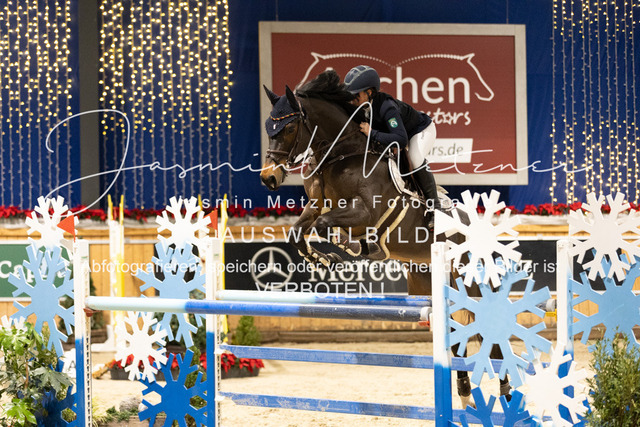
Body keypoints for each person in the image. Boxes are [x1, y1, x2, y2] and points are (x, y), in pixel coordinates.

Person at [344, 65, 441, 227]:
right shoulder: (362, 106)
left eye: (356, 95)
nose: (352, 100)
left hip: (419, 130)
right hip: (396, 134)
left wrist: (372, 133)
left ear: (369, 92)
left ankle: (435, 208)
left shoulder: (386, 107)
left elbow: (401, 140)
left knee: (415, 158)